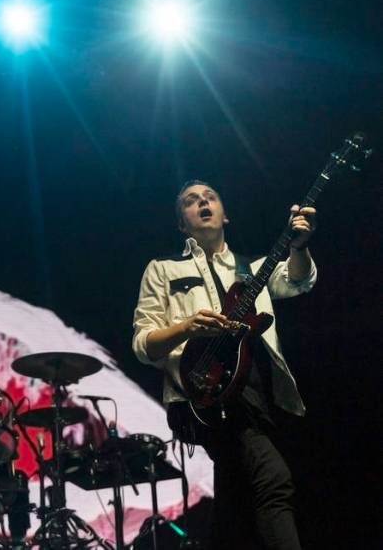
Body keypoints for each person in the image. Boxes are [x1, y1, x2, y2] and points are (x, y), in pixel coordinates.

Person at [132, 180, 316, 550]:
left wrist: (300, 246)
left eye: (210, 197)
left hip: (259, 395)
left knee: (235, 501)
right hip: (202, 395)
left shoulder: (253, 270)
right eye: (190, 201)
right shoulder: (162, 269)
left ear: (224, 214)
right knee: (273, 481)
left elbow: (298, 280)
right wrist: (187, 327)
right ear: (182, 223)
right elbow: (142, 344)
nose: (202, 203)